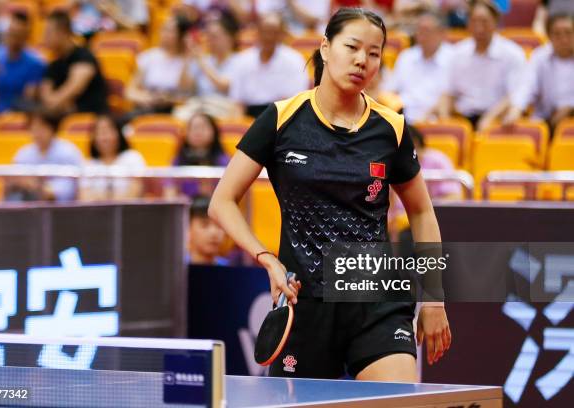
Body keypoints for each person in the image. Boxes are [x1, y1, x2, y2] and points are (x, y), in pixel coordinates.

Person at [209, 8, 450, 381]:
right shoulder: (280, 119)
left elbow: (421, 212)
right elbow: (221, 202)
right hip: (304, 303)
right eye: (352, 47)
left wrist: (433, 297)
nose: (362, 60)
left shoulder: (392, 128)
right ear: (325, 47)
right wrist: (267, 259)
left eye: (374, 53)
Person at [429, 0, 526, 131]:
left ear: (496, 22)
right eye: (474, 21)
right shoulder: (458, 52)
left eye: (484, 22)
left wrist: (489, 118)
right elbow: (448, 93)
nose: (479, 28)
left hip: (497, 120)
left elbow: (514, 94)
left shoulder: (512, 53)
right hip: (463, 118)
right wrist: (445, 119)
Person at [227, 12, 309, 117]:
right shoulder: (243, 60)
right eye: (265, 31)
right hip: (249, 114)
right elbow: (237, 101)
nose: (268, 37)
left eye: (274, 32)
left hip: (281, 114)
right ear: (257, 33)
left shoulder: (295, 60)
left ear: (282, 35)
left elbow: (294, 100)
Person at [506, 13, 574, 131]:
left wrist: (570, 108)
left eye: (568, 33)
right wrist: (515, 110)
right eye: (557, 34)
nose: (563, 39)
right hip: (544, 120)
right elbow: (526, 86)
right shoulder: (539, 56)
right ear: (549, 36)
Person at [384, 11, 454, 123]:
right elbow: (390, 90)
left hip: (435, 120)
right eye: (419, 30)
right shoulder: (406, 56)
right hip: (403, 119)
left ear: (441, 33)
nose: (421, 35)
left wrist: (426, 117)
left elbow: (452, 98)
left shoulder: (453, 58)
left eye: (426, 31)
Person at [0, 11, 45, 114]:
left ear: (26, 37)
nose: (12, 39)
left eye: (17, 35)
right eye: (10, 33)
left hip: (19, 114)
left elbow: (29, 98)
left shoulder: (35, 63)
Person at [40, 10, 109, 115]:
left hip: (91, 118)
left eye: (48, 33)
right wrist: (53, 104)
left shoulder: (84, 57)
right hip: (62, 116)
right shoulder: (54, 64)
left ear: (63, 32)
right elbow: (46, 95)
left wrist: (55, 103)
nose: (44, 38)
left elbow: (73, 90)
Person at [6, 111, 83, 202]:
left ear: (52, 128)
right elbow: (13, 180)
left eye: (41, 127)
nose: (37, 133)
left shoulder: (68, 151)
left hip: (61, 207)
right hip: (28, 203)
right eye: (33, 128)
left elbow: (69, 188)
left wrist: (40, 187)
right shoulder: (24, 153)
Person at [125, 14, 194, 115]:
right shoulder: (149, 57)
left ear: (182, 36)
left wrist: (186, 57)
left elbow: (186, 91)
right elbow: (130, 92)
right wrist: (149, 99)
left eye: (170, 31)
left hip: (176, 110)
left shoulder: (190, 61)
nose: (164, 34)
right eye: (163, 29)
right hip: (149, 108)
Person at [79, 115, 146, 201]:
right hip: (96, 212)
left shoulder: (132, 157)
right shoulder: (88, 164)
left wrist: (109, 201)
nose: (104, 138)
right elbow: (84, 197)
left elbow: (136, 190)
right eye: (99, 133)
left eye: (108, 131)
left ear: (119, 134)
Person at [166, 112, 229, 198]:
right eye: (193, 128)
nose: (198, 132)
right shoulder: (178, 160)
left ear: (214, 132)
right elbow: (170, 193)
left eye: (203, 127)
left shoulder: (224, 161)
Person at [187, 195, 229, 265]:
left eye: (219, 225)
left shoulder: (230, 271)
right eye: (205, 225)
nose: (214, 232)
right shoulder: (177, 269)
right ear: (188, 228)